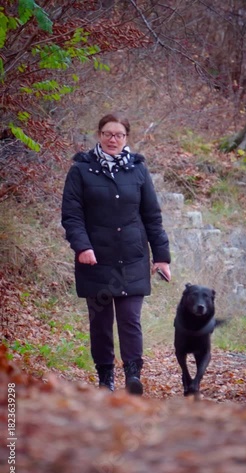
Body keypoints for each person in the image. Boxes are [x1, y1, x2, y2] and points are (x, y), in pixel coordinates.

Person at [61, 113, 171, 395]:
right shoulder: (81, 170)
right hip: (95, 259)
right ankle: (105, 378)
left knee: (130, 319)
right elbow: (72, 215)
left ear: (126, 138)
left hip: (133, 257)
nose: (113, 139)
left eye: (119, 135)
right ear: (99, 135)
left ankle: (133, 376)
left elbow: (152, 216)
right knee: (100, 323)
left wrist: (162, 257)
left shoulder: (138, 170)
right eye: (108, 134)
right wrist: (82, 247)